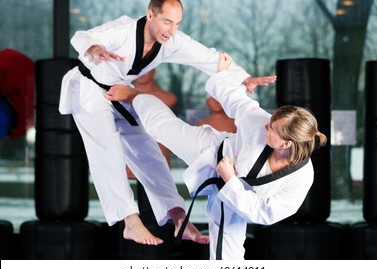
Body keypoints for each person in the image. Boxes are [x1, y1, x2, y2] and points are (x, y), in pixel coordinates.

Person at [59, 0, 276, 246]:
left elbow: (209, 58)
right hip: (88, 90)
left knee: (148, 151)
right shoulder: (124, 31)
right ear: (150, 15)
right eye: (166, 21)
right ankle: (130, 222)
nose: (171, 30)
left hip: (119, 92)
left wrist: (245, 78)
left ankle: (178, 217)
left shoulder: (171, 41)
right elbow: (82, 36)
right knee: (106, 151)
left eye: (176, 24)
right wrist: (95, 49)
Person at [105, 52, 327, 259]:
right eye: (270, 121)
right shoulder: (258, 122)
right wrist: (222, 75)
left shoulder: (301, 178)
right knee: (161, 128)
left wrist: (231, 181)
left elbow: (265, 214)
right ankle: (136, 97)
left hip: (236, 201)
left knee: (227, 260)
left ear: (286, 143)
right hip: (211, 151)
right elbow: (237, 100)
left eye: (272, 128)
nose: (266, 126)